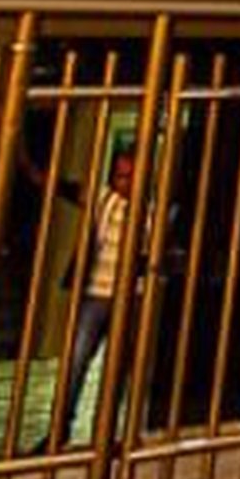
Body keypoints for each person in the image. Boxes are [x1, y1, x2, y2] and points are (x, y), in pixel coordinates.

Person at [49, 140, 137, 452]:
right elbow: (62, 187)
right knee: (75, 363)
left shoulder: (149, 210)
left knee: (117, 371)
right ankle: (59, 432)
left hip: (127, 298)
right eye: (118, 176)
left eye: (128, 176)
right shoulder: (103, 199)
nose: (121, 183)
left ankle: (106, 435)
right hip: (94, 295)